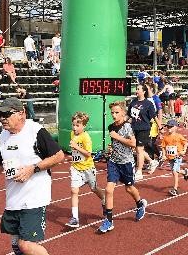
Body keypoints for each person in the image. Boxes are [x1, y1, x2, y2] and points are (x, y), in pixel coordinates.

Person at [0, 97, 64, 255]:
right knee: (16, 245)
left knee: (26, 245)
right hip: (13, 198)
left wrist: (32, 169)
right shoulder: (4, 136)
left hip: (34, 198)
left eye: (6, 114)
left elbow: (59, 156)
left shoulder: (35, 131)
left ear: (22, 114)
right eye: (0, 114)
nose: (2, 118)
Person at [97, 101, 148, 234]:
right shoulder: (110, 127)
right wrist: (110, 149)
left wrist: (117, 137)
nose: (114, 115)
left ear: (123, 113)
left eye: (117, 112)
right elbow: (115, 143)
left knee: (129, 188)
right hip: (114, 162)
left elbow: (133, 143)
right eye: (112, 112)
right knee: (108, 189)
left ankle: (139, 204)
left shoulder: (127, 127)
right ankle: (109, 221)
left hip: (126, 163)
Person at [66, 112, 107, 228]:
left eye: (77, 126)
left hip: (88, 168)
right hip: (76, 168)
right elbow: (75, 152)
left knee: (94, 188)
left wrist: (77, 147)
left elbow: (88, 154)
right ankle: (75, 218)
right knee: (74, 191)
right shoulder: (71, 134)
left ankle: (104, 198)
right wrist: (73, 160)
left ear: (83, 126)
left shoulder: (86, 137)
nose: (74, 128)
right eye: (73, 125)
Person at [128, 84, 156, 181]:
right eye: (136, 89)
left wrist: (160, 127)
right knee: (137, 149)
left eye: (138, 89)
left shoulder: (148, 103)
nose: (136, 90)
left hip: (144, 128)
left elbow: (154, 116)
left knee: (139, 149)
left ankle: (139, 171)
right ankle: (152, 162)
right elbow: (129, 116)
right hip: (134, 128)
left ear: (143, 91)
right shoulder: (133, 102)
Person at [159, 119, 188, 196]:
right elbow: (163, 147)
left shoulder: (179, 136)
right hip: (170, 157)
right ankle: (184, 172)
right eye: (168, 127)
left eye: (171, 127)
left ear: (175, 127)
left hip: (177, 156)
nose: (169, 128)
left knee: (174, 171)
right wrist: (163, 155)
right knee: (176, 170)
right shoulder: (166, 137)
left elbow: (186, 143)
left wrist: (184, 151)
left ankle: (175, 189)